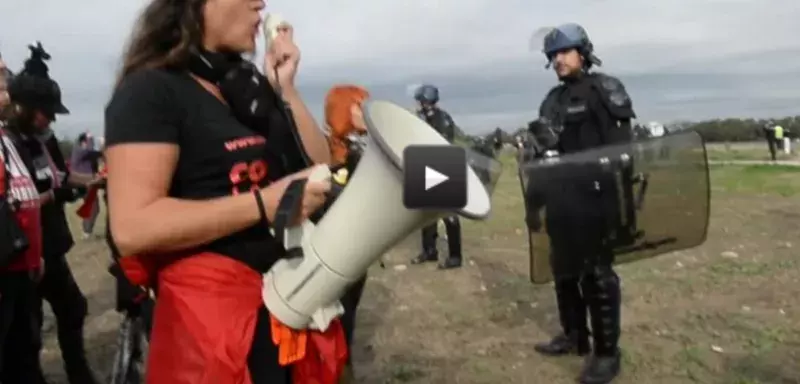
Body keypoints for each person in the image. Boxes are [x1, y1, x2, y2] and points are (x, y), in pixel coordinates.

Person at [103, 0, 343, 382]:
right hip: (211, 325)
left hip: (285, 301)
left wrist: (286, 90)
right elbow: (133, 227)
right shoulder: (151, 90)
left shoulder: (243, 88)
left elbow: (318, 165)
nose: (261, 4)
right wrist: (264, 204)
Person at [526, 23, 633, 384]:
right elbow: (541, 157)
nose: (558, 59)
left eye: (564, 52)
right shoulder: (551, 100)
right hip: (561, 204)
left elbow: (623, 151)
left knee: (598, 277)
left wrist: (620, 204)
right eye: (553, 55)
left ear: (582, 53)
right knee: (565, 273)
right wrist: (534, 203)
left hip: (596, 200)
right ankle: (574, 336)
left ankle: (607, 354)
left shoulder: (604, 89)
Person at [6, 43, 101, 384]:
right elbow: (19, 198)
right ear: (23, 107)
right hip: (21, 252)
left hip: (51, 245)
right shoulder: (8, 143)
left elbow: (63, 177)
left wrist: (96, 180)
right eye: (45, 111)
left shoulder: (42, 141)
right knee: (26, 329)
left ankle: (78, 371)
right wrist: (52, 195)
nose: (51, 118)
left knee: (73, 308)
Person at [0, 51, 46, 384]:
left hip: (21, 266)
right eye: (2, 81)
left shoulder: (10, 141)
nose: (10, 89)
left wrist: (35, 254)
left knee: (24, 349)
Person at [324, 84, 371, 381]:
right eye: (360, 106)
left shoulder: (363, 150)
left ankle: (343, 362)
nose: (367, 112)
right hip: (333, 250)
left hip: (358, 248)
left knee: (348, 314)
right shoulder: (321, 149)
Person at [410, 84, 462, 269]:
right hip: (428, 166)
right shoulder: (425, 119)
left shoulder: (443, 119)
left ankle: (455, 256)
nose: (420, 105)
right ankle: (429, 251)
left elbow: (443, 143)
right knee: (427, 213)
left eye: (421, 101)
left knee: (449, 214)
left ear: (427, 101)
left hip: (444, 166)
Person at [70, 132, 103, 239]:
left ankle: (87, 230)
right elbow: (90, 151)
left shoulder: (84, 151)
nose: (92, 143)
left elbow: (96, 154)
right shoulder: (80, 150)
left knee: (92, 206)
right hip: (84, 181)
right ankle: (86, 231)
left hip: (87, 180)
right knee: (93, 207)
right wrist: (91, 140)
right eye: (90, 141)